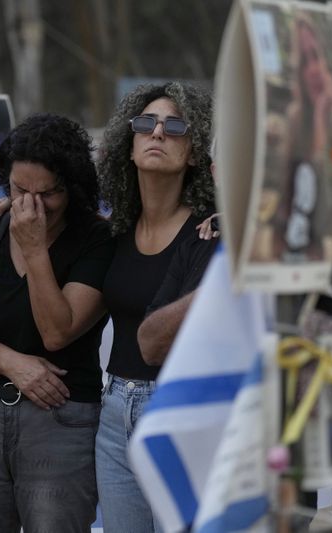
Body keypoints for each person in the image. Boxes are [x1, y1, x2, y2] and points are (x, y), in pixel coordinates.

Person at [0, 113, 114, 532]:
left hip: (59, 421)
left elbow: (56, 332)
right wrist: (12, 363)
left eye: (48, 194)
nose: (31, 205)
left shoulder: (96, 239)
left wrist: (35, 249)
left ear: (73, 188)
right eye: (20, 189)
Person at [96, 82, 216, 532]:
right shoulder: (115, 232)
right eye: (145, 123)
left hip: (181, 415)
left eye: (175, 126)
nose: (157, 133)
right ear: (128, 146)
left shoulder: (210, 231)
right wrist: (8, 200)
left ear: (195, 152)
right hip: (112, 418)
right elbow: (49, 208)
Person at [283, 14, 332, 260]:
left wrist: (324, 117)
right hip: (295, 249)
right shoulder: (293, 120)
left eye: (316, 56)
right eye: (304, 62)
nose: (314, 70)